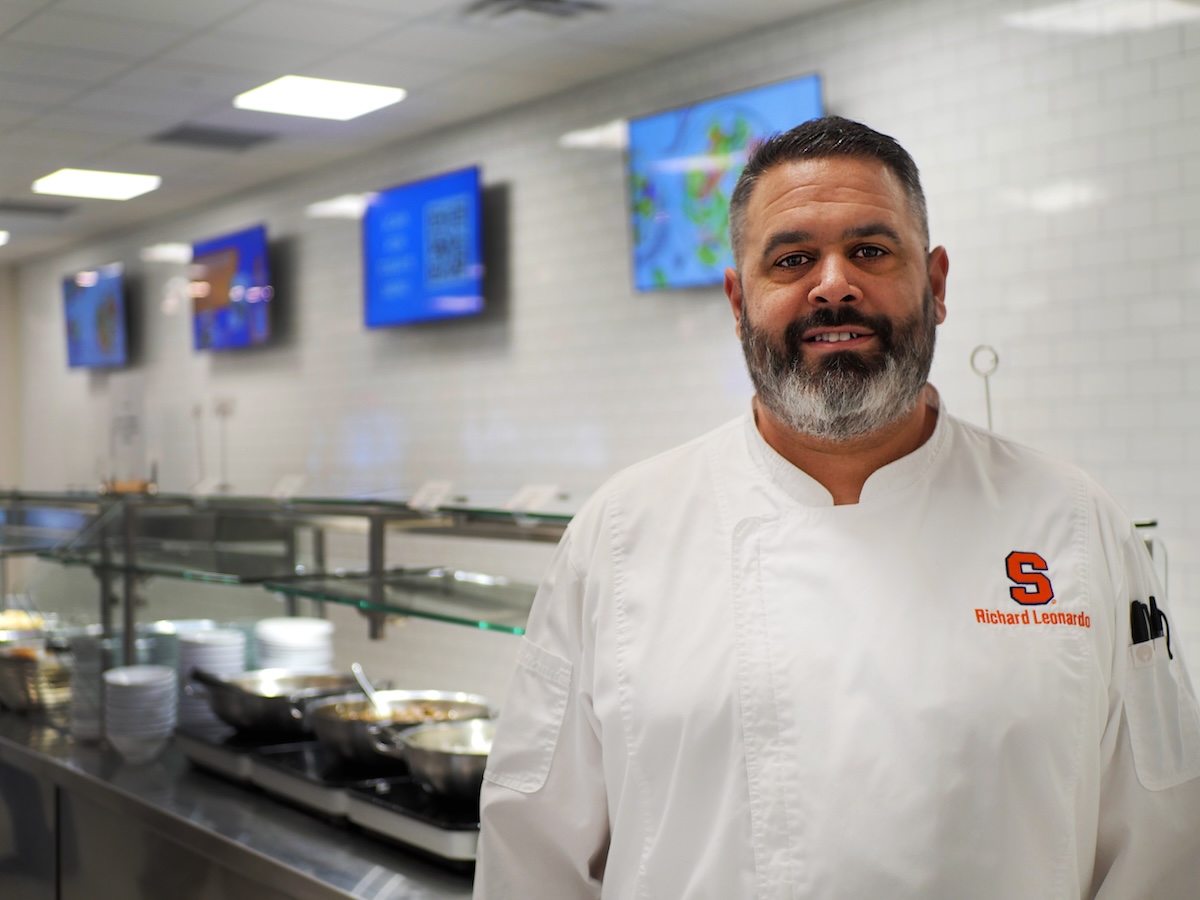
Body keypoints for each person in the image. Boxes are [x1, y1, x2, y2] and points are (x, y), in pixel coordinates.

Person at [473, 116, 1200, 899]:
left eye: (871, 251)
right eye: (791, 260)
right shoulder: (619, 534)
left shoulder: (1075, 524)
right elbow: (533, 851)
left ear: (938, 283)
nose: (832, 284)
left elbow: (1162, 842)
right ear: (737, 298)